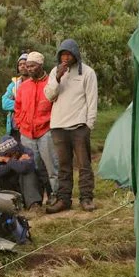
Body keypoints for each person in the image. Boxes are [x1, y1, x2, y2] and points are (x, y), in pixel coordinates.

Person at [44, 39, 98, 213]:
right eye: (63, 55)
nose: (66, 58)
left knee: (84, 164)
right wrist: (57, 78)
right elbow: (49, 96)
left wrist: (89, 124)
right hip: (59, 126)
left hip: (79, 126)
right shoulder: (55, 72)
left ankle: (86, 197)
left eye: (69, 54)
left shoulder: (88, 73)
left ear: (76, 55)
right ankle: (64, 199)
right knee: (64, 165)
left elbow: (92, 100)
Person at [14, 51, 58, 205]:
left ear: (40, 65)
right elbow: (17, 107)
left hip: (46, 131)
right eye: (27, 66)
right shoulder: (23, 86)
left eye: (32, 66)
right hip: (27, 133)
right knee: (35, 167)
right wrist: (19, 123)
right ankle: (36, 199)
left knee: (52, 166)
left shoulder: (50, 84)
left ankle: (55, 195)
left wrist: (51, 125)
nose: (29, 69)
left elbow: (56, 106)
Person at [0, 135, 42, 210]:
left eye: (10, 154)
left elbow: (24, 168)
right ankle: (2, 206)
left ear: (16, 150)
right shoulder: (1, 156)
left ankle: (34, 205)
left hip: (27, 189)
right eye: (6, 155)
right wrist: (13, 162)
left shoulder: (26, 151)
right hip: (11, 188)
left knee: (29, 172)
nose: (8, 156)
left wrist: (8, 161)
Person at [1, 53, 29, 143]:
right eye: (20, 65)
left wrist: (15, 102)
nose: (22, 66)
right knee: (15, 154)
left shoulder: (36, 83)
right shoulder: (14, 84)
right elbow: (4, 103)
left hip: (30, 126)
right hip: (15, 127)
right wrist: (24, 104)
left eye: (25, 64)